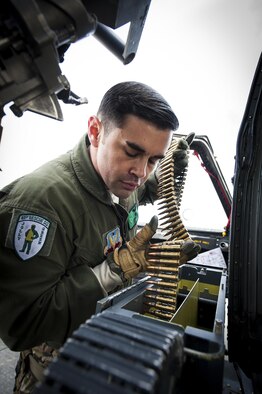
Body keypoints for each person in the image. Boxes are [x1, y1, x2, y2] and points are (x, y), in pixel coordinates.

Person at [0, 81, 199, 393]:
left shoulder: (120, 179)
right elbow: (22, 325)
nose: (141, 171)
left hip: (107, 337)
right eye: (132, 152)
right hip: (57, 367)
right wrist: (115, 270)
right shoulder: (40, 205)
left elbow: (140, 190)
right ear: (95, 131)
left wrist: (165, 177)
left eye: (154, 159)